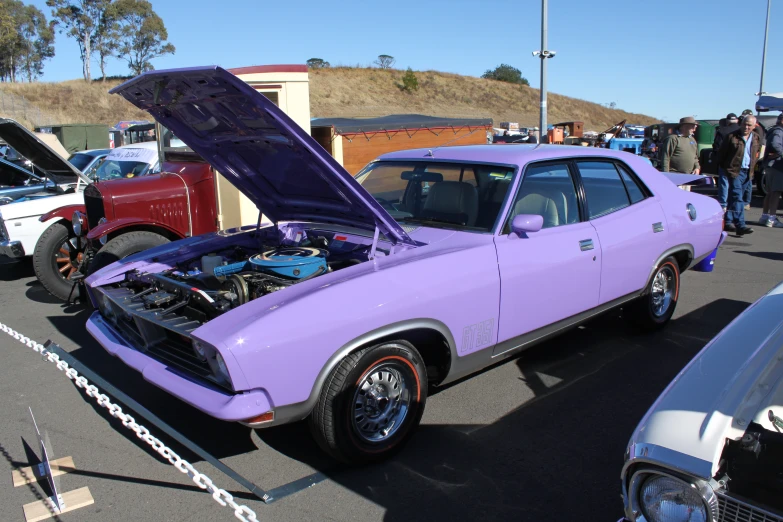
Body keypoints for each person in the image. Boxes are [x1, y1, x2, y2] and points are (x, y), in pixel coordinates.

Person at [717, 115, 760, 235]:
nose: (746, 127)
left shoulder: (756, 138)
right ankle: (740, 224)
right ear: (741, 123)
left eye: (749, 125)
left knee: (733, 198)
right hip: (734, 170)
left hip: (748, 171)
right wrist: (726, 169)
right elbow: (721, 155)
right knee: (738, 197)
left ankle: (728, 220)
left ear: (754, 126)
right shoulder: (731, 137)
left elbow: (756, 153)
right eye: (744, 124)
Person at [759, 113, 783, 227]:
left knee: (770, 193)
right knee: (775, 193)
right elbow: (775, 144)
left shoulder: (774, 130)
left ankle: (765, 216)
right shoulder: (779, 131)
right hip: (776, 167)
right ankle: (772, 219)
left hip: (771, 165)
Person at [713, 113, 739, 210]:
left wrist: (720, 158)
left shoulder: (722, 131)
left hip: (725, 162)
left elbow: (716, 147)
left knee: (724, 183)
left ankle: (723, 204)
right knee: (736, 184)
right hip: (738, 163)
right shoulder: (742, 131)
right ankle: (735, 204)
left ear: (727, 121)